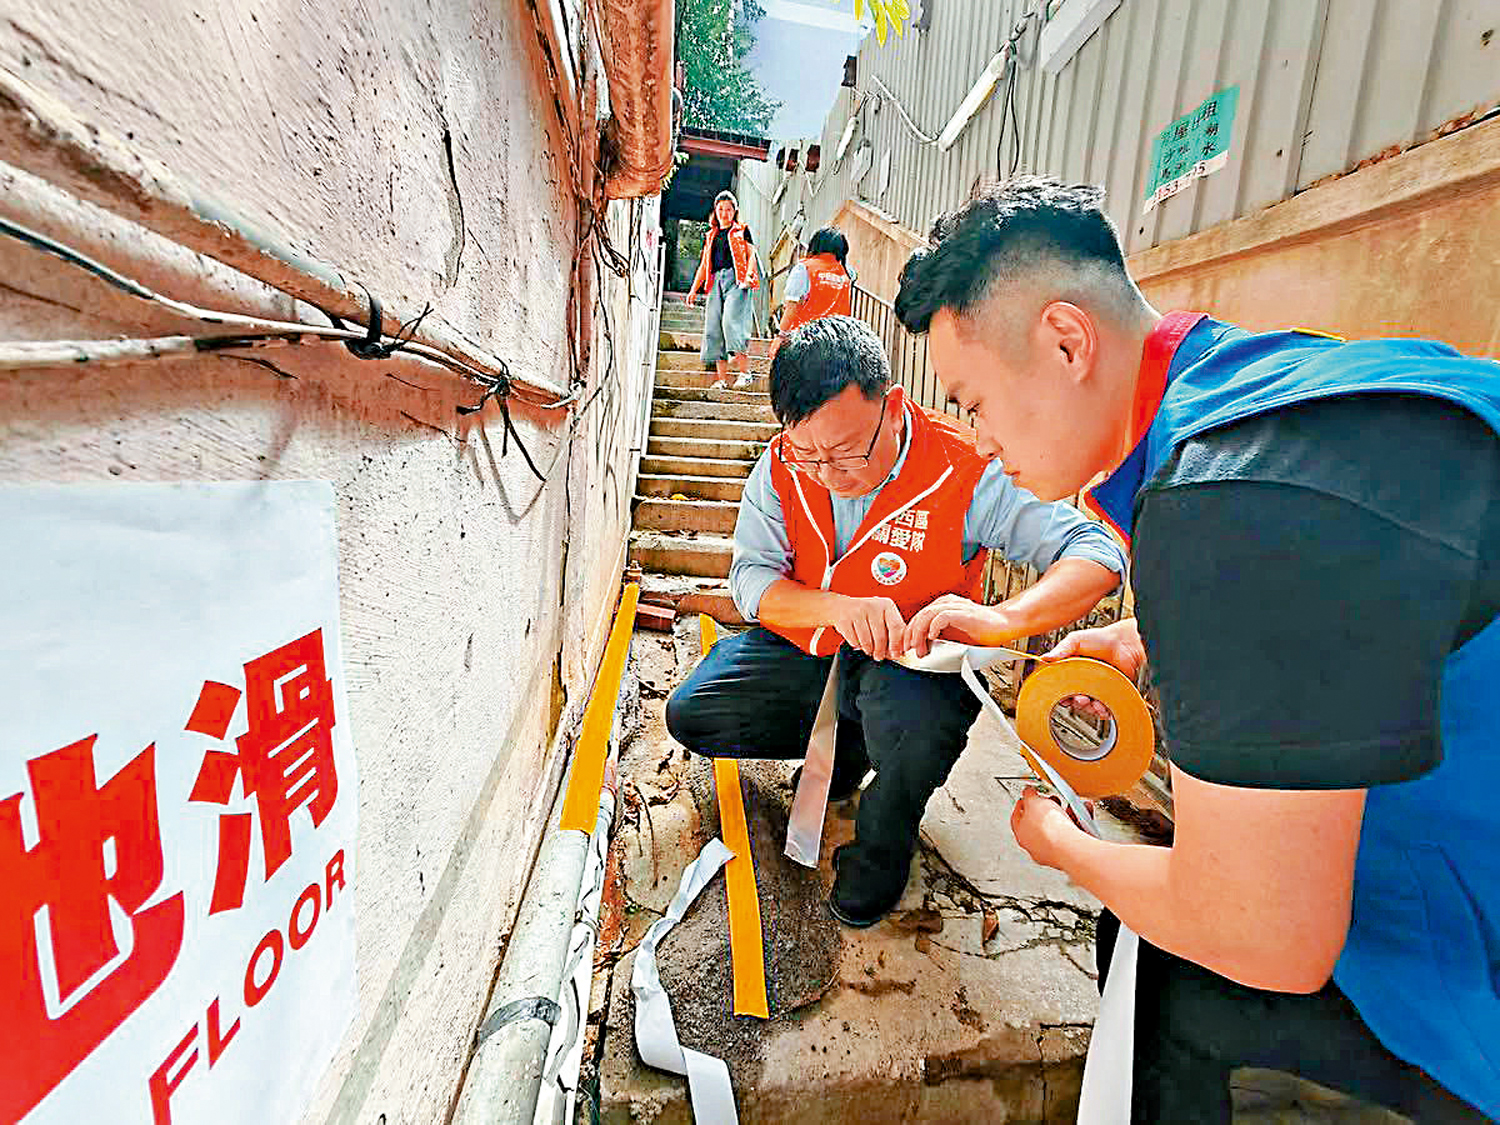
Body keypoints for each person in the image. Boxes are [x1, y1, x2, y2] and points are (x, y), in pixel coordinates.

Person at [893, 175, 1500, 1121]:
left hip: (1467, 966)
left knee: (1168, 969)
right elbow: (1359, 593)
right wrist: (1153, 632)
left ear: (1065, 341)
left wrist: (1058, 844)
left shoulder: (1219, 508)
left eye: (973, 400)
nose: (979, 441)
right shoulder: (1264, 387)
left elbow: (1266, 934)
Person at [665, 315, 1127, 927]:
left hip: (912, 666)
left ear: (893, 404)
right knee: (695, 713)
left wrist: (998, 619)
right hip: (814, 648)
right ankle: (847, 749)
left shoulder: (963, 466)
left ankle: (884, 843)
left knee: (915, 729)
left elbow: (1096, 554)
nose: (831, 474)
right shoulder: (781, 467)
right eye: (809, 454)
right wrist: (838, 608)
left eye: (848, 451)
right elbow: (751, 582)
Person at [685, 190, 758, 389]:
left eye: (728, 209)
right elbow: (703, 265)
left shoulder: (742, 230)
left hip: (737, 279)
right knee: (714, 327)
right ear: (715, 212)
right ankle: (722, 379)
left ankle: (745, 373)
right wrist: (693, 290)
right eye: (720, 209)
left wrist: (749, 275)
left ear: (735, 211)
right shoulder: (711, 236)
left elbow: (752, 255)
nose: (724, 213)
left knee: (731, 322)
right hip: (716, 281)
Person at [773, 226, 854, 358]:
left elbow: (792, 306)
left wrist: (780, 336)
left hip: (805, 342)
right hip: (837, 344)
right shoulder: (846, 274)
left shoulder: (804, 268)